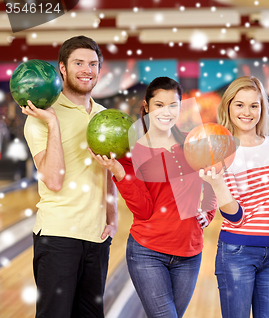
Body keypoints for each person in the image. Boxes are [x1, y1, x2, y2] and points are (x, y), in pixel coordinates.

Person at [89, 76, 217, 318]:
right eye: (159, 105)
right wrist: (118, 171)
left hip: (190, 252)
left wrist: (208, 212)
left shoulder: (193, 143)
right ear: (147, 106)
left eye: (173, 105)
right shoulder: (133, 150)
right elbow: (143, 210)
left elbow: (213, 182)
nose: (166, 112)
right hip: (148, 252)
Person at [22, 35, 117, 318]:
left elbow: (108, 173)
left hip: (97, 237)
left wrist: (112, 219)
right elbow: (53, 180)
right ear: (62, 68)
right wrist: (53, 123)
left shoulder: (103, 116)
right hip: (58, 236)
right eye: (79, 63)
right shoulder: (40, 114)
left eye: (93, 64)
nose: (87, 69)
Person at [199, 76, 269, 318]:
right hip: (237, 253)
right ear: (228, 106)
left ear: (262, 109)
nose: (247, 112)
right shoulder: (220, 150)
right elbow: (235, 217)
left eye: (254, 105)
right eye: (239, 104)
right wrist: (217, 184)